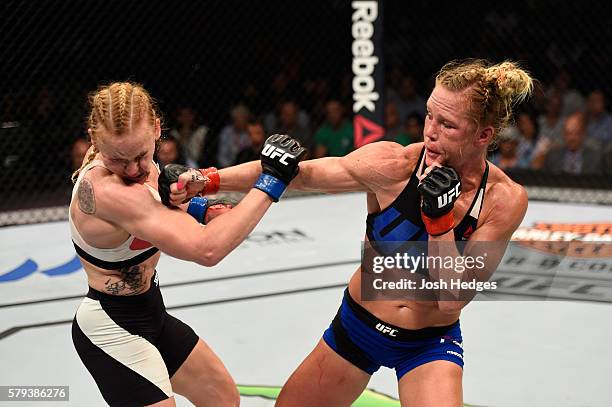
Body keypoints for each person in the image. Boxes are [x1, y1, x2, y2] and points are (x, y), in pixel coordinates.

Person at [170, 59, 533, 406]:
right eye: (429, 115)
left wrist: (439, 225)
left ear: (484, 134)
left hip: (429, 343)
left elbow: (452, 299)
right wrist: (206, 180)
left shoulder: (503, 200)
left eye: (448, 125)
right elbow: (295, 173)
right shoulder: (394, 165)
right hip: (357, 328)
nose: (430, 132)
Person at [69, 82, 305, 406]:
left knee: (223, 397)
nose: (134, 169)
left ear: (156, 129)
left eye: (140, 156)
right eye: (118, 160)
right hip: (110, 328)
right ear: (94, 141)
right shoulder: (109, 192)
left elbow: (162, 196)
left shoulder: (133, 166)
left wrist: (198, 205)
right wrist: (270, 183)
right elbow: (207, 250)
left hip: (151, 312)